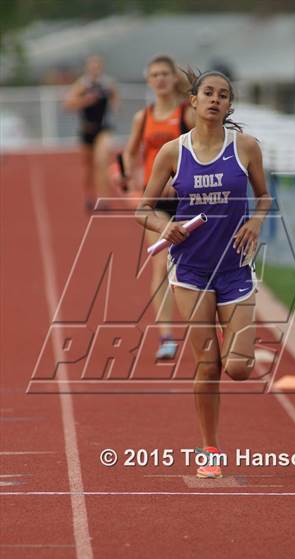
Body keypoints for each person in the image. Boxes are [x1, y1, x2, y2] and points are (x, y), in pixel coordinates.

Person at [135, 70, 272, 478]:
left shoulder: (245, 147)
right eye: (208, 93)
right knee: (208, 365)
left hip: (234, 267)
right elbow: (143, 209)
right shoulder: (173, 153)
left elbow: (264, 197)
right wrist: (166, 227)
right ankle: (209, 449)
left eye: (224, 95)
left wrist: (255, 223)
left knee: (239, 368)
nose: (215, 99)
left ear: (230, 105)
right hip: (191, 269)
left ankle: (236, 335)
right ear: (192, 101)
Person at [121, 55, 194, 360]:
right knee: (161, 263)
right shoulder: (145, 116)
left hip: (190, 198)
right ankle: (166, 335)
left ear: (173, 78)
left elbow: (203, 146)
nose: (160, 79)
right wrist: (133, 176)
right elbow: (129, 151)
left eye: (165, 73)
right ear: (149, 80)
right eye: (155, 74)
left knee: (197, 264)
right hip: (157, 202)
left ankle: (206, 326)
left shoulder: (187, 114)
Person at [64, 55, 118, 212]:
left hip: (104, 129)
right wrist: (85, 101)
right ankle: (89, 196)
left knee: (101, 162)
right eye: (92, 66)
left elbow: (115, 98)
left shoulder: (108, 84)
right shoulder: (82, 85)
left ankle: (104, 199)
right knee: (88, 167)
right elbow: (68, 104)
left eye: (97, 66)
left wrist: (114, 106)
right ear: (88, 68)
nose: (95, 69)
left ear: (101, 67)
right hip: (87, 130)